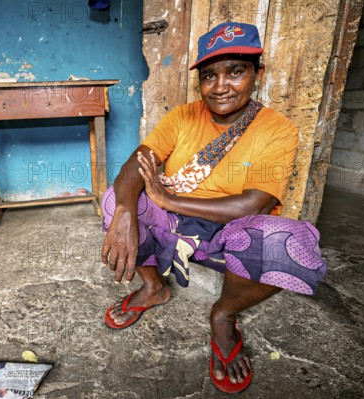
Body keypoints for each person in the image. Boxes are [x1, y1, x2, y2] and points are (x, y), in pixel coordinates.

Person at [100, 22, 327, 394]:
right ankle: (154, 287)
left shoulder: (278, 129)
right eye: (209, 76)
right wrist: (125, 211)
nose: (220, 86)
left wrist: (169, 199)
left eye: (235, 71)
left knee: (285, 243)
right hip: (174, 227)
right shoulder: (183, 117)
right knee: (118, 199)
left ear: (258, 74)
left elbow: (257, 202)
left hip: (228, 232)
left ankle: (223, 316)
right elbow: (138, 162)